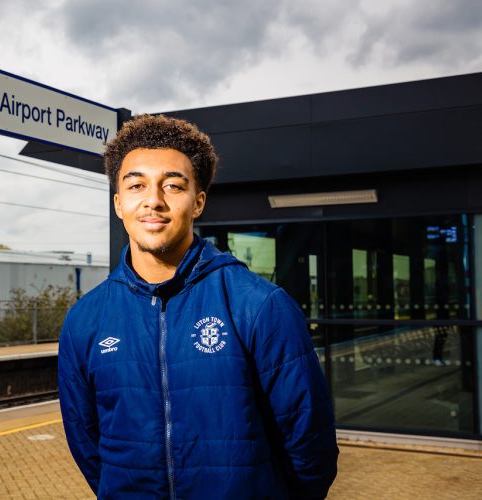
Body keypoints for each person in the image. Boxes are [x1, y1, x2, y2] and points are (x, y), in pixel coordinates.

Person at [58, 114, 338, 499]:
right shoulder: (85, 320)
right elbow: (87, 443)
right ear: (119, 203)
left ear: (198, 202)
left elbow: (311, 445)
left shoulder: (259, 306)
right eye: (137, 185)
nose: (153, 200)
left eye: (172, 186)